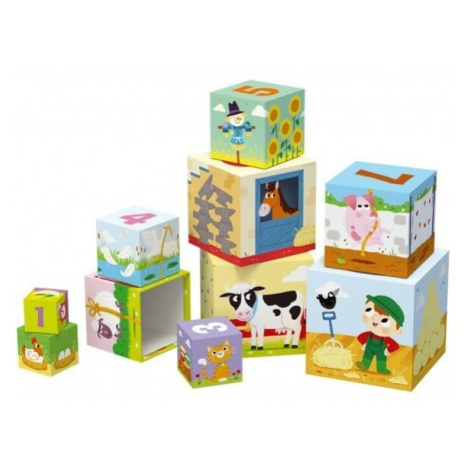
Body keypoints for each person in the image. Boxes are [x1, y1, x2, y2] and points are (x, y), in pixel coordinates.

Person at [356, 295, 405, 375]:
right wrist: (364, 343)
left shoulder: (386, 339)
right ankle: (364, 365)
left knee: (381, 359)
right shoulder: (368, 334)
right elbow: (360, 337)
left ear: (398, 330)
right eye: (369, 310)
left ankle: (381, 369)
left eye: (385, 320)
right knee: (367, 356)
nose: (374, 318)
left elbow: (395, 345)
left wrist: (388, 350)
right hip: (369, 348)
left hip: (381, 350)